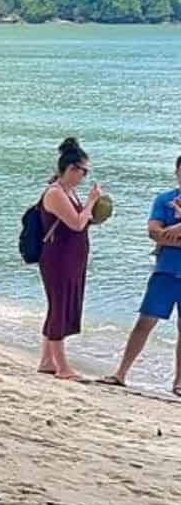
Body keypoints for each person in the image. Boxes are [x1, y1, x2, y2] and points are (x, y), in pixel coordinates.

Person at [98, 154, 181, 397]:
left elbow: (160, 236)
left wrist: (172, 233)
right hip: (165, 271)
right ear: (176, 170)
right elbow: (153, 232)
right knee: (144, 323)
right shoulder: (164, 200)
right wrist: (171, 233)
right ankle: (121, 373)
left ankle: (179, 382)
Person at [36, 137, 102, 381]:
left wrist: (90, 209)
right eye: (83, 171)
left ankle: (46, 360)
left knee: (60, 306)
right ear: (72, 169)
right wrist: (92, 202)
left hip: (71, 256)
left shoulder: (68, 191)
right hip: (58, 258)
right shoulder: (55, 193)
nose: (84, 176)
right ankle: (62, 366)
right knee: (59, 308)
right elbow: (75, 223)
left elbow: (80, 221)